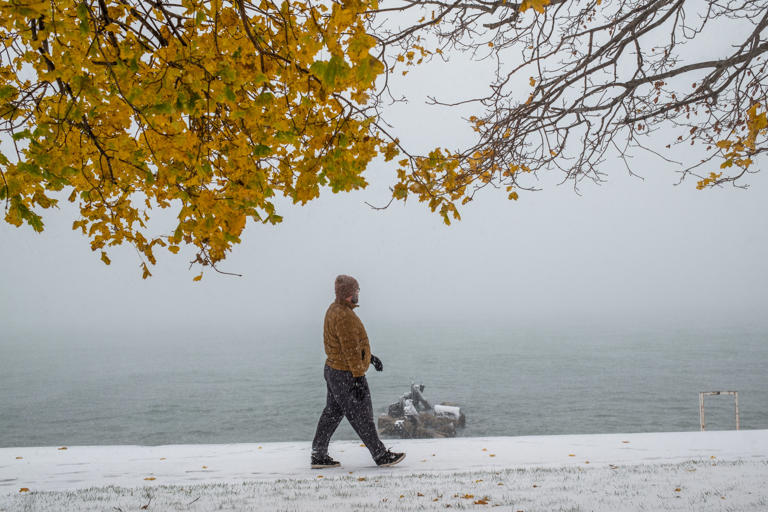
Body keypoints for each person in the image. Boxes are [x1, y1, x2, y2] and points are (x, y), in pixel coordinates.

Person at [310, 275, 406, 468]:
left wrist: (369, 357)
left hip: (334, 369)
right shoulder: (345, 316)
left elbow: (347, 345)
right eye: (356, 291)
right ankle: (380, 455)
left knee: (332, 413)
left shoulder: (335, 309)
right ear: (348, 294)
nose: (358, 294)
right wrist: (358, 378)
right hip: (345, 373)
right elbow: (350, 348)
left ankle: (318, 454)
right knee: (361, 415)